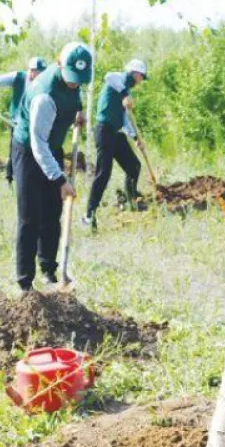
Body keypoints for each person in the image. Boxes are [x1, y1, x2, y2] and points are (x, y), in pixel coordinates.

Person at [11, 42, 91, 291]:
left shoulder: (74, 83)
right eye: (71, 78)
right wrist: (59, 179)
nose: (74, 84)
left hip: (51, 146)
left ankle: (49, 270)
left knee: (52, 212)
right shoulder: (44, 96)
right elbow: (38, 144)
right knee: (30, 216)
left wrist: (77, 113)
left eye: (79, 80)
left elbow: (73, 97)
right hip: (29, 150)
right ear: (59, 64)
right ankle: (25, 283)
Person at [82, 58, 148, 230]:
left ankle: (132, 200)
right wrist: (125, 94)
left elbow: (126, 120)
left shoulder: (125, 92)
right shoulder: (117, 79)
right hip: (104, 131)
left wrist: (135, 138)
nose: (141, 81)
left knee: (134, 166)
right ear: (135, 73)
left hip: (116, 133)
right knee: (104, 173)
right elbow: (108, 75)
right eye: (142, 77)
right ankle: (89, 214)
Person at [0, 56, 48, 183]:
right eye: (36, 72)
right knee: (16, 151)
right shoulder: (18, 77)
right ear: (30, 70)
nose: (38, 76)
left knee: (37, 151)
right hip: (18, 122)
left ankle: (34, 179)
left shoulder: (45, 84)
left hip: (36, 122)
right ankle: (10, 179)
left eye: (41, 73)